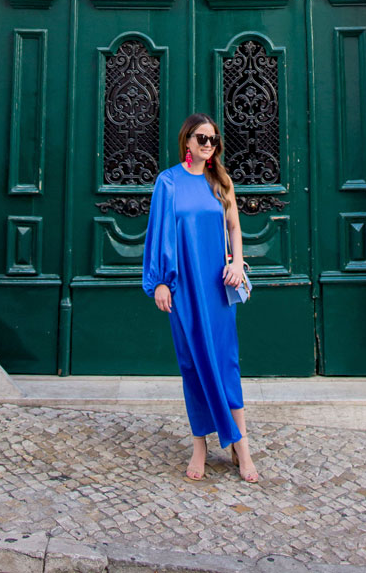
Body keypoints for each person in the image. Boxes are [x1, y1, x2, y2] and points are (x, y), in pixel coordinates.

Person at [142, 112, 259, 483]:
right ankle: (200, 446)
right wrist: (159, 282)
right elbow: (158, 234)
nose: (208, 145)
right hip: (183, 289)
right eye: (201, 138)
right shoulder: (169, 183)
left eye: (213, 140)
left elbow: (235, 227)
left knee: (226, 363)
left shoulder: (220, 181)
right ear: (187, 141)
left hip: (216, 288)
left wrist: (238, 263)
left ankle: (241, 446)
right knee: (192, 365)